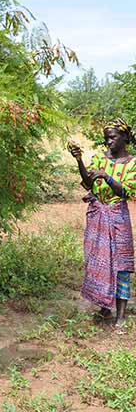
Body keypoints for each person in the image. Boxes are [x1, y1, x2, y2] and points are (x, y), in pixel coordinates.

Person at [69, 118, 136, 330]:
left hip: (118, 216)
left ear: (125, 137)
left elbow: (127, 192)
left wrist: (107, 177)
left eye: (113, 137)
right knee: (97, 261)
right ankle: (104, 307)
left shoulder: (133, 163)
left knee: (122, 265)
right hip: (97, 215)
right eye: (106, 138)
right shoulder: (99, 158)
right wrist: (79, 160)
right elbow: (88, 183)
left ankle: (121, 315)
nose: (108, 141)